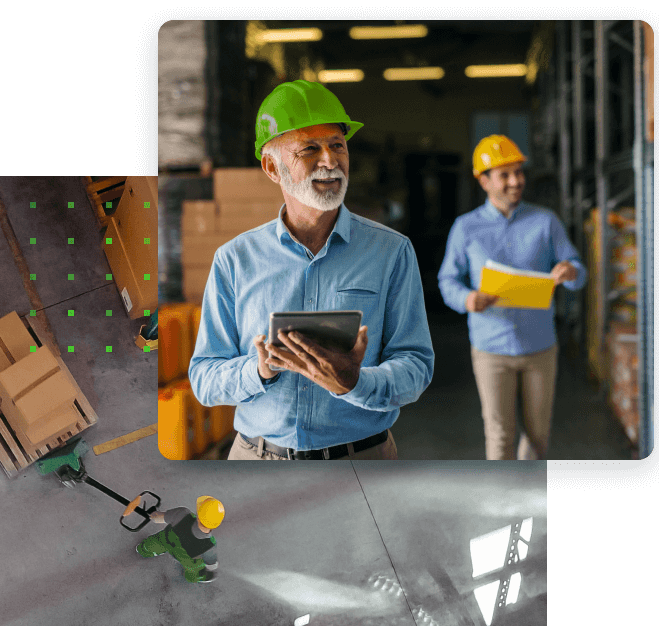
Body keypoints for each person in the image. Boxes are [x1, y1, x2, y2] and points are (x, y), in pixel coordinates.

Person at [188, 80, 434, 460]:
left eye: (337, 144)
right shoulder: (234, 260)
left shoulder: (391, 252)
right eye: (310, 149)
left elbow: (416, 365)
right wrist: (259, 370)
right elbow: (204, 378)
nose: (330, 161)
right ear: (272, 167)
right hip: (256, 461)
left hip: (362, 461)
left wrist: (356, 383)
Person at [438, 135, 587, 459]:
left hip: (540, 349)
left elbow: (578, 269)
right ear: (484, 180)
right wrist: (467, 299)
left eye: (519, 172)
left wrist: (571, 272)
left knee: (537, 438)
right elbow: (447, 280)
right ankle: (502, 506)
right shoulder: (466, 228)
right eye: (505, 175)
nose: (516, 181)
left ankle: (526, 503)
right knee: (500, 436)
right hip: (491, 350)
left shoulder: (545, 221)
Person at [136, 496, 223, 583]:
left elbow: (158, 518)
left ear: (199, 514)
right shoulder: (210, 544)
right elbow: (211, 563)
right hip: (186, 558)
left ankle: (144, 549)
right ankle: (196, 577)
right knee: (195, 568)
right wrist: (213, 568)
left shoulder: (182, 513)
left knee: (156, 542)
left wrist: (153, 514)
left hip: (167, 540)